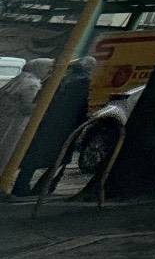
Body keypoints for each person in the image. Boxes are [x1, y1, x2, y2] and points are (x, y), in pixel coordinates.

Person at [10, 58, 93, 197]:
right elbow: (82, 108)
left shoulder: (56, 80)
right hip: (65, 126)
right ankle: (43, 187)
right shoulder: (85, 83)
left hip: (46, 123)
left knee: (33, 158)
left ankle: (22, 185)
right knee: (60, 158)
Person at [0, 57, 53, 166]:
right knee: (6, 149)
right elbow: (27, 107)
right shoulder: (32, 84)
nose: (49, 73)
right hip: (14, 123)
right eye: (48, 69)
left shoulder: (19, 79)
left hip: (5, 118)